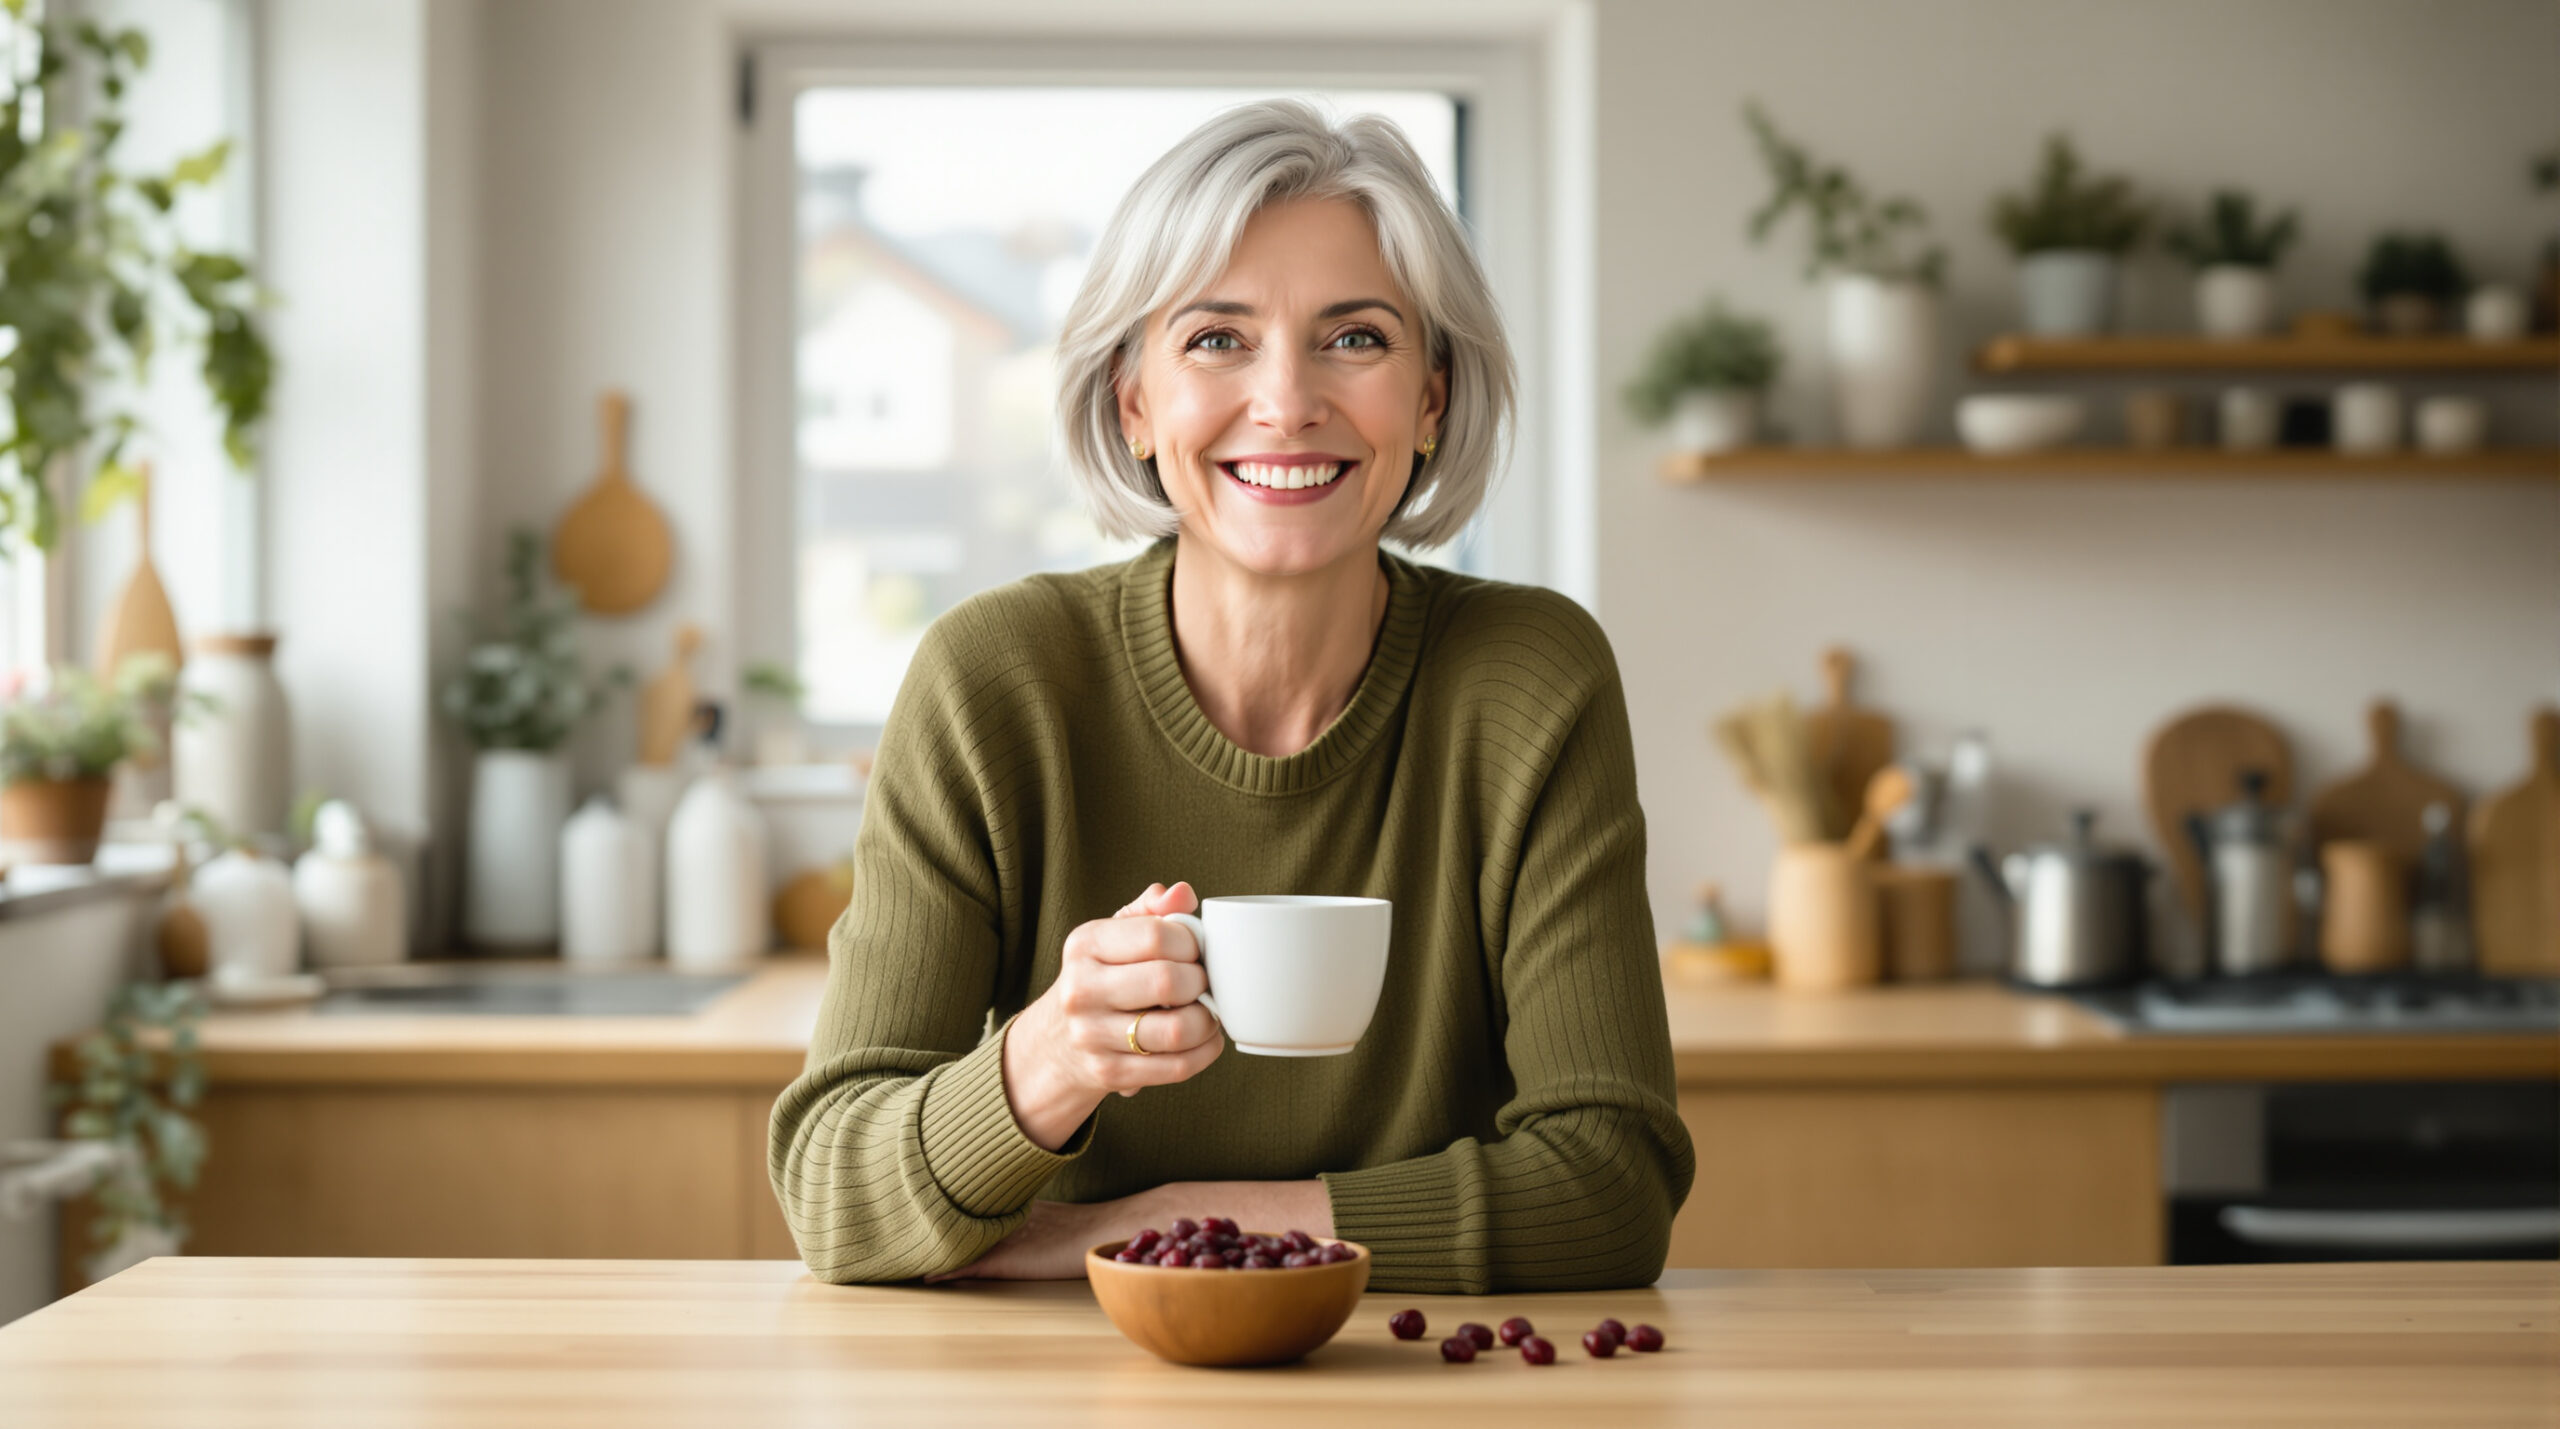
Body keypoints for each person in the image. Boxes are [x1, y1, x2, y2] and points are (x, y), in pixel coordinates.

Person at [768, 98, 1693, 1293]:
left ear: (1430, 398)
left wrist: (1165, 1225)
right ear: (1133, 403)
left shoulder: (1530, 677)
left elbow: (1611, 1184)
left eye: (1354, 337)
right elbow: (833, 1196)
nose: (1287, 400)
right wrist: (1050, 1059)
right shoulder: (994, 679)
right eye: (1216, 339)